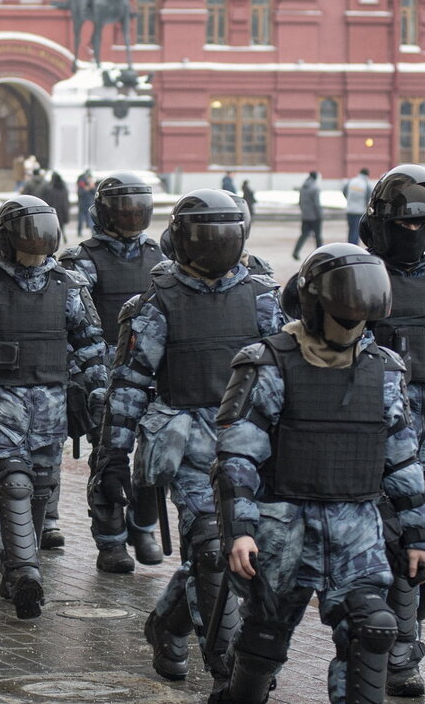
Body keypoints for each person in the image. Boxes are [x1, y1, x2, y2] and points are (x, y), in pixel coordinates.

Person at [211, 243, 425, 704]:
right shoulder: (267, 362)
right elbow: (238, 457)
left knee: (373, 630)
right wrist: (240, 531)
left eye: (361, 317)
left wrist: (417, 537)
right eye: (343, 315)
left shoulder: (386, 370)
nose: (352, 327)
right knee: (264, 641)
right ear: (315, 307)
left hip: (358, 534)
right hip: (282, 533)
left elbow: (402, 459)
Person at [91, 189, 283, 686]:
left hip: (254, 448)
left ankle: (168, 624)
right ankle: (228, 668)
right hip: (189, 445)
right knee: (213, 550)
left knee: (241, 552)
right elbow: (129, 385)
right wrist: (112, 458)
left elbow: (286, 375)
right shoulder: (156, 303)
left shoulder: (262, 298)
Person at [0, 195, 108, 619]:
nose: (36, 250)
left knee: (41, 487)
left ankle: (13, 567)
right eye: (28, 240)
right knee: (13, 481)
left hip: (51, 405)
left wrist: (94, 397)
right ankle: (27, 571)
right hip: (0, 403)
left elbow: (91, 347)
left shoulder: (69, 286)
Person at [358, 165, 425, 697]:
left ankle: (399, 635)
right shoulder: (357, 279)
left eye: (423, 225)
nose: (412, 235)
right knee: (400, 549)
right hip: (380, 444)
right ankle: (400, 652)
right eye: (402, 225)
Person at [59, 172, 163, 569]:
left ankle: (143, 525)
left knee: (155, 457)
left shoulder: (159, 258)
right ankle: (111, 540)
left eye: (138, 209)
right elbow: (71, 324)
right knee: (109, 458)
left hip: (151, 374)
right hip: (102, 374)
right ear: (104, 213)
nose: (131, 217)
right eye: (122, 210)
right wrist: (77, 377)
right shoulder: (81, 260)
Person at [293, 171, 323, 260]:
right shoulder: (315, 188)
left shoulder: (303, 187)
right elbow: (316, 204)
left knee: (303, 235)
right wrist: (320, 215)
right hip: (315, 217)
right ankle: (320, 254)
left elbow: (300, 202)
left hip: (305, 216)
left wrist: (304, 212)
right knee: (318, 236)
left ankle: (296, 252)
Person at [344, 167, 374, 245]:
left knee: (351, 230)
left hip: (349, 210)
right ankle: (354, 247)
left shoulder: (351, 181)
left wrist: (349, 200)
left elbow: (344, 191)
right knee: (356, 231)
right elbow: (369, 197)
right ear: (367, 175)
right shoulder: (366, 184)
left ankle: (349, 245)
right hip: (359, 211)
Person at [42, 172, 71, 245]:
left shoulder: (50, 188)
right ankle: (63, 237)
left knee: (54, 227)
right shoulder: (64, 188)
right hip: (61, 210)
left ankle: (57, 240)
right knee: (61, 226)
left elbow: (48, 200)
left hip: (53, 210)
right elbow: (66, 201)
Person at [76, 171, 96, 237]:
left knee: (90, 218)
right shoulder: (82, 182)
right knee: (81, 219)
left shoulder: (90, 183)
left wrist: (91, 187)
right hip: (82, 203)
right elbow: (80, 193)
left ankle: (93, 232)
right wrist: (87, 189)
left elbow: (94, 192)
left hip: (89, 203)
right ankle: (79, 231)